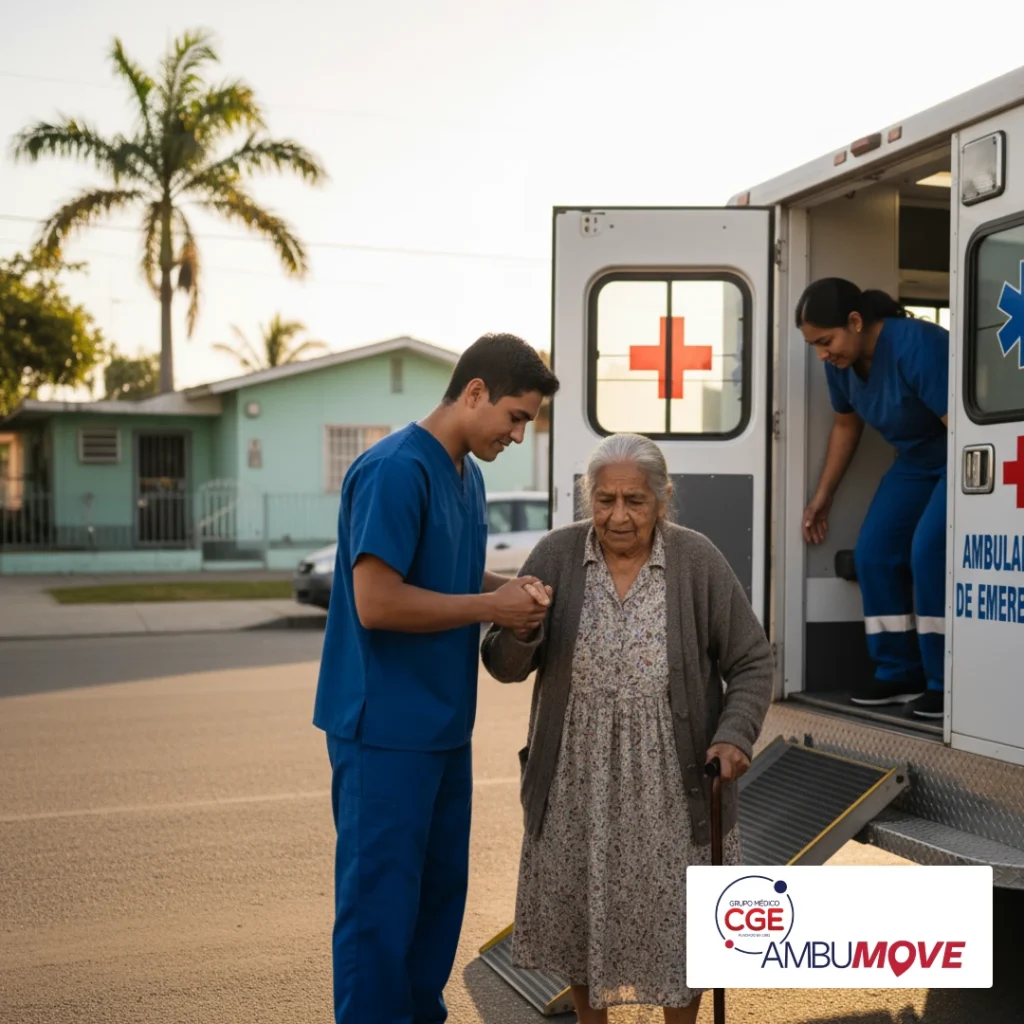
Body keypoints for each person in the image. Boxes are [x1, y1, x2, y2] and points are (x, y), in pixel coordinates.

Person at [481, 432, 773, 1024]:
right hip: (575, 781)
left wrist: (735, 734)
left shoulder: (695, 560)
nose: (618, 516)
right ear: (588, 499)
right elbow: (504, 666)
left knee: (680, 927)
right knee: (582, 918)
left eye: (635, 501)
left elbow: (751, 659)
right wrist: (521, 630)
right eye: (605, 500)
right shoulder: (556, 555)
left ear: (662, 499)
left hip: (674, 784)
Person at [312, 332, 560, 1024]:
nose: (519, 434)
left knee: (437, 899)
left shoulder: (467, 474)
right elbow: (377, 601)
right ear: (475, 392)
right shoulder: (395, 469)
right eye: (515, 416)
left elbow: (446, 573)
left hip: (444, 727)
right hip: (383, 729)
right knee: (380, 909)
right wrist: (491, 608)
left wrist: (510, 590)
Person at [797, 278, 949, 719]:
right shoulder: (841, 364)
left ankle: (944, 681)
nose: (822, 354)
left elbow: (960, 426)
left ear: (856, 321)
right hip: (915, 461)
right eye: (814, 346)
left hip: (959, 455)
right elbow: (847, 425)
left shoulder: (918, 346)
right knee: (874, 553)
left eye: (825, 341)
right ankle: (899, 671)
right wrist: (822, 497)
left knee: (928, 551)